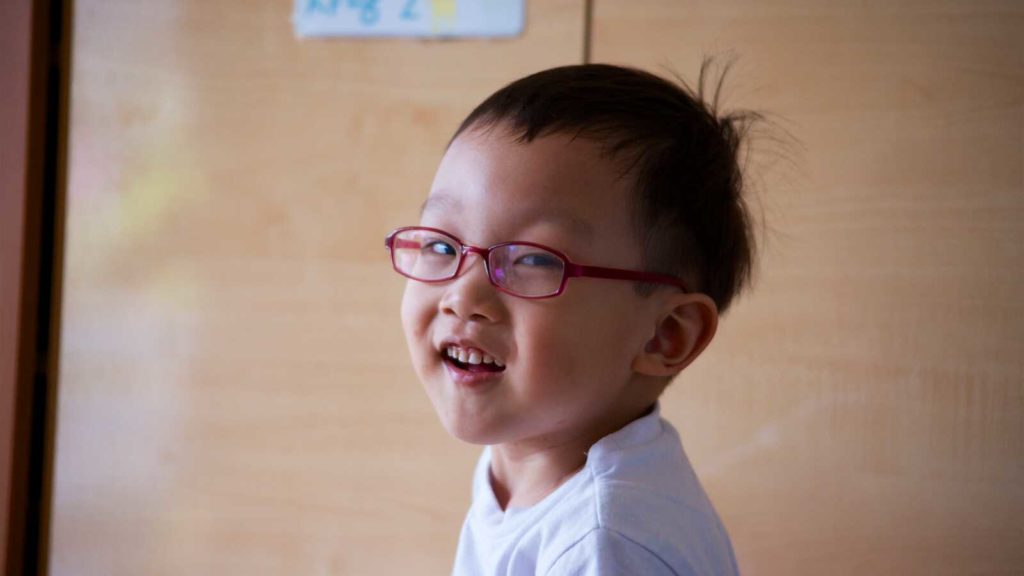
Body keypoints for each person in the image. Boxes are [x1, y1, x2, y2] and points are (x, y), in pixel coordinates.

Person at [387, 62, 758, 575]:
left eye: (534, 260)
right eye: (439, 244)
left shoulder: (605, 542)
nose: (462, 295)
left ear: (664, 335)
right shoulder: (528, 455)